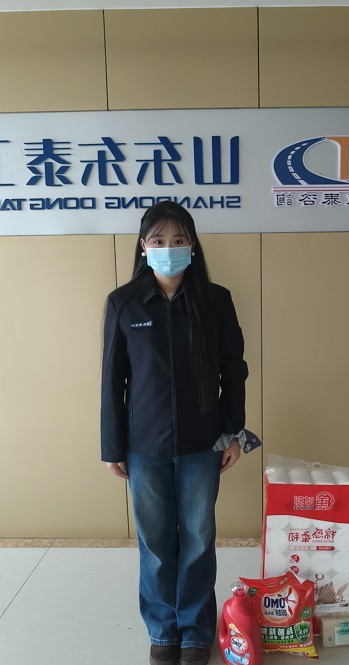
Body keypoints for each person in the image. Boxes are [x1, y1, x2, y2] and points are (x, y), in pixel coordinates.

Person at [101, 201, 248, 665]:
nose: (169, 248)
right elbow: (112, 380)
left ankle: (196, 632)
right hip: (143, 446)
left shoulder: (215, 300)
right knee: (156, 545)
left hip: (204, 444)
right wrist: (112, 447)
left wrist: (234, 434)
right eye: (159, 240)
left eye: (179, 239)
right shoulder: (123, 303)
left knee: (199, 540)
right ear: (144, 247)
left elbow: (234, 370)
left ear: (193, 246)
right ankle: (163, 630)